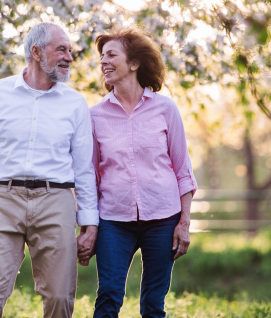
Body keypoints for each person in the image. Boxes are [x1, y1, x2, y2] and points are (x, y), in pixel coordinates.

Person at [0, 22, 99, 318]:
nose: (69, 57)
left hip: (56, 200)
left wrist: (90, 223)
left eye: (70, 51)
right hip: (2, 199)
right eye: (61, 49)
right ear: (36, 52)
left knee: (60, 298)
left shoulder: (75, 103)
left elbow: (85, 169)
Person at [80, 27, 197, 318]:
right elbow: (90, 177)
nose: (103, 62)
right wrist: (89, 225)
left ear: (133, 63)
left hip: (163, 217)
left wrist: (184, 222)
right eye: (101, 57)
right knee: (108, 295)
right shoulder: (94, 116)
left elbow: (182, 170)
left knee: (153, 305)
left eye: (111, 55)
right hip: (114, 220)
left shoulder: (165, 109)